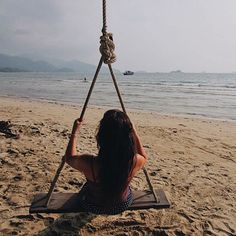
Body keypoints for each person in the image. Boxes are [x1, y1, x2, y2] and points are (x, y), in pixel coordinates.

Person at [65, 109, 147, 214]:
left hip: (93, 206)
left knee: (86, 188)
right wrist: (134, 133)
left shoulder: (90, 163)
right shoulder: (134, 161)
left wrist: (75, 132)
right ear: (128, 136)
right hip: (121, 205)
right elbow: (143, 156)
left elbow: (69, 157)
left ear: (101, 136)